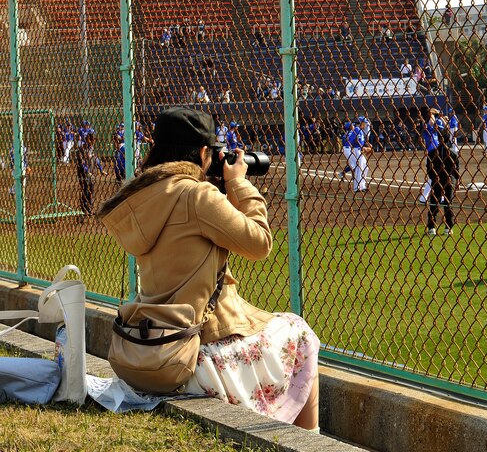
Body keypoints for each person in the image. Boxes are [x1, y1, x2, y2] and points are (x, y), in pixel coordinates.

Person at [96, 107, 320, 429]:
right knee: (300, 333)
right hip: (197, 351)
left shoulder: (144, 196)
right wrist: (239, 184)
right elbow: (259, 243)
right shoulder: (197, 196)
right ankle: (309, 443)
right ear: (204, 152)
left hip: (150, 345)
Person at [421, 113, 457, 236]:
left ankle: (432, 227)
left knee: (435, 201)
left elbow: (428, 169)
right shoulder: (451, 152)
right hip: (446, 177)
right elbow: (456, 169)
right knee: (447, 203)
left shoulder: (436, 140)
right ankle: (447, 227)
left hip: (436, 174)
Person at [75, 133, 103, 219]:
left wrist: (101, 169)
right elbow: (82, 163)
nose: (93, 141)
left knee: (91, 190)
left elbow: (96, 159)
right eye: (92, 139)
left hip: (91, 172)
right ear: (87, 139)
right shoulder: (81, 150)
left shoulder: (91, 148)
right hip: (83, 174)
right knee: (85, 191)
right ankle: (84, 209)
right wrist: (88, 172)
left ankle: (89, 208)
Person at [347, 119, 368, 193]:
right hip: (356, 150)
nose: (365, 125)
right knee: (359, 168)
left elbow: (361, 141)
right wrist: (363, 147)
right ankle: (357, 187)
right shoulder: (357, 129)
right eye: (365, 123)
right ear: (361, 123)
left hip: (360, 150)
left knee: (365, 167)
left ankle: (362, 185)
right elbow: (355, 140)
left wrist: (365, 146)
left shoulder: (361, 131)